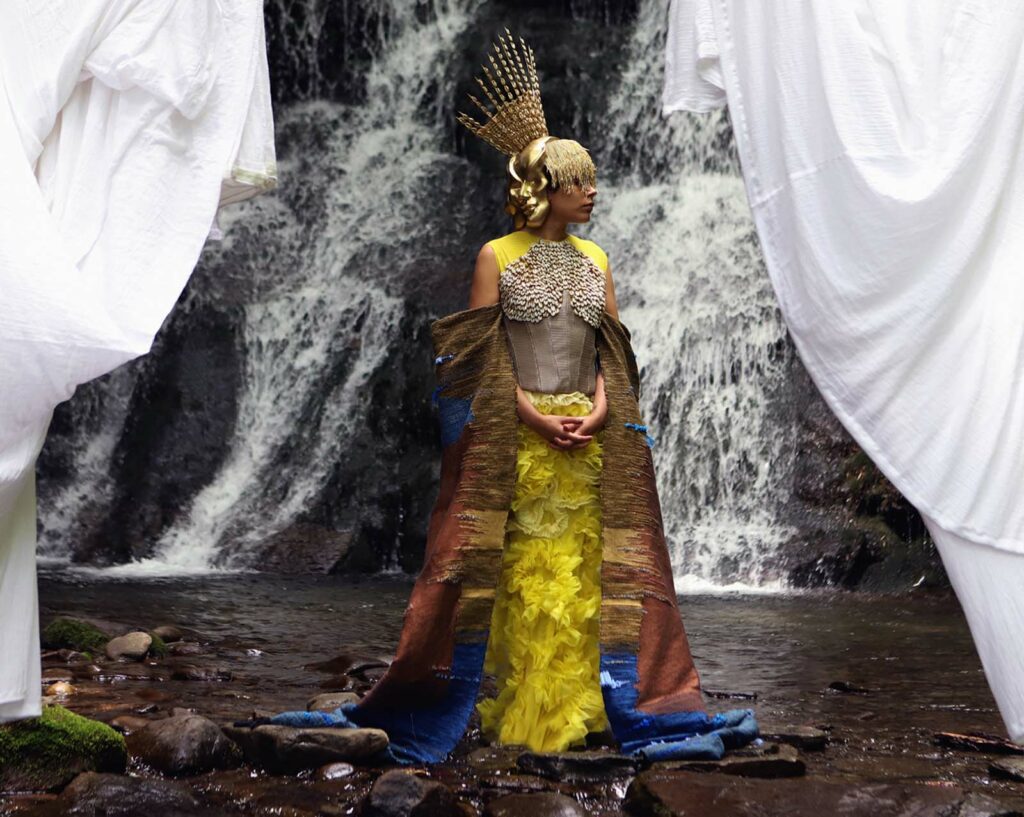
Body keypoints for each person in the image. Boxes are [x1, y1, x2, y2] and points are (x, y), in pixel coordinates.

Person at [249, 29, 757, 764]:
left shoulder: (598, 259)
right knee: (525, 577)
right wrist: (533, 418)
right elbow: (480, 362)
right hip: (517, 438)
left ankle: (591, 707)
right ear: (549, 189)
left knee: (586, 576)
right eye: (581, 180)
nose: (593, 190)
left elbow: (615, 354)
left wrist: (602, 412)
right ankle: (531, 713)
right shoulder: (497, 257)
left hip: (588, 437)